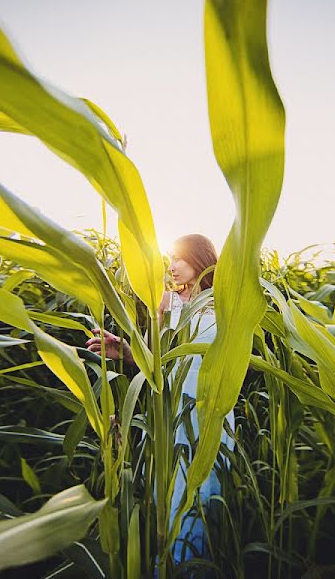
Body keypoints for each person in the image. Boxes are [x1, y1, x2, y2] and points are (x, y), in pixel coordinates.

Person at [85, 234, 235, 567]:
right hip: (175, 411)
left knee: (211, 498)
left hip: (215, 410)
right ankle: (174, 568)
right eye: (170, 258)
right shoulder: (166, 302)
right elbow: (153, 362)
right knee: (176, 492)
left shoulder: (229, 303)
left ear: (200, 258)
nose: (172, 266)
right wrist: (125, 352)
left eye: (179, 258)